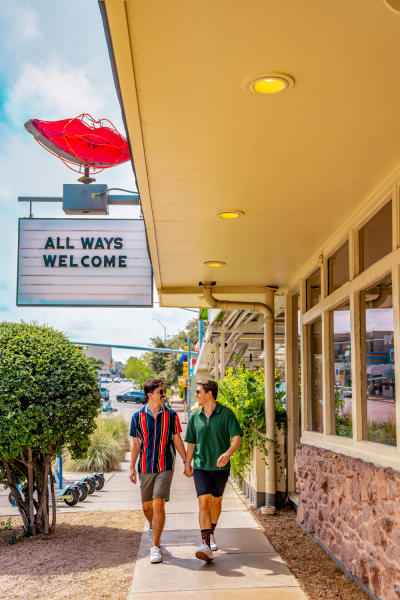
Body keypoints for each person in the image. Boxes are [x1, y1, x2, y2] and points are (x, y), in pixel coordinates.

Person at [184, 379, 242, 562]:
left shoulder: (226, 414)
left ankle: (211, 532)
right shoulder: (195, 416)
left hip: (220, 468)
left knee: (216, 502)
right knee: (204, 503)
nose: (196, 395)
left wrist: (228, 453)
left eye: (198, 391)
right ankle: (205, 544)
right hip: (201, 466)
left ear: (209, 393)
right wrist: (187, 463)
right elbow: (191, 442)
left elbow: (236, 438)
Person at [129, 378, 186, 564]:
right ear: (149, 395)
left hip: (165, 465)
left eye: (164, 391)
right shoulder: (137, 417)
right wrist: (131, 467)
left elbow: (176, 439)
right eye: (160, 392)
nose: (164, 394)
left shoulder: (171, 416)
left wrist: (186, 461)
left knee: (158, 503)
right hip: (145, 466)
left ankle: (155, 546)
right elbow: (136, 444)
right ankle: (155, 527)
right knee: (147, 507)